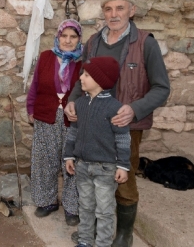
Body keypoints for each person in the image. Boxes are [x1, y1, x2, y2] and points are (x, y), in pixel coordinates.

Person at [64, 0, 170, 247]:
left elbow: (162, 88)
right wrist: (72, 102)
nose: (114, 14)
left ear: (131, 11)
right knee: (90, 177)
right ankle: (97, 231)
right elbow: (82, 78)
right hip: (91, 120)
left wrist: (134, 108)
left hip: (125, 124)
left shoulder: (146, 43)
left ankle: (124, 234)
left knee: (123, 176)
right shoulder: (93, 42)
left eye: (120, 8)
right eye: (108, 9)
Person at [64, 56, 131, 247]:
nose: (81, 79)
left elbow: (123, 138)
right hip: (82, 166)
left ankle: (102, 244)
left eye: (86, 75)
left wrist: (123, 166)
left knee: (104, 211)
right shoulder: (80, 104)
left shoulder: (115, 108)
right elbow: (73, 132)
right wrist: (69, 155)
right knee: (85, 207)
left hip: (105, 169)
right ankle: (85, 241)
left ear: (100, 80)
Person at [26, 19, 83, 226]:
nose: (67, 41)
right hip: (46, 115)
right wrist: (31, 109)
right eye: (64, 36)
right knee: (44, 160)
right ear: (58, 37)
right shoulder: (46, 57)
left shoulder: (83, 62)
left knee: (72, 162)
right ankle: (47, 201)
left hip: (73, 119)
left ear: (78, 39)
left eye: (73, 36)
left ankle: (72, 206)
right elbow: (35, 86)